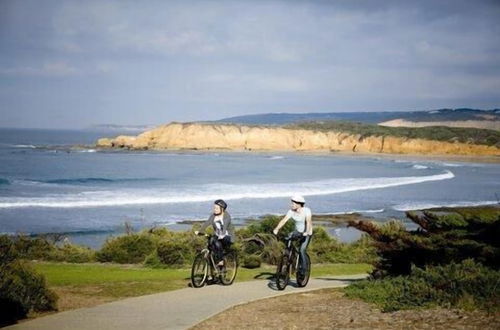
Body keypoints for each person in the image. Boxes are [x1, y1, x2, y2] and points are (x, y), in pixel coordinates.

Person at [273, 195, 313, 275]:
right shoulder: (291, 211)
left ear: (299, 204)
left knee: (302, 250)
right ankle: (289, 258)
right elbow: (284, 220)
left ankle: (303, 269)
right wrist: (277, 229)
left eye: (293, 203)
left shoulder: (306, 210)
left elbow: (308, 221)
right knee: (288, 242)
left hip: (307, 233)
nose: (291, 205)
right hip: (297, 232)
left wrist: (307, 232)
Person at [195, 199, 235, 267]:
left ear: (222, 209)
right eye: (214, 208)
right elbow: (207, 223)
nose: (214, 209)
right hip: (218, 235)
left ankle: (221, 261)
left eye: (216, 208)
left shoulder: (226, 216)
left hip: (228, 237)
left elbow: (225, 226)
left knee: (216, 242)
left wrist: (221, 235)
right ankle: (212, 271)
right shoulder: (213, 216)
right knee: (211, 248)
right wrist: (200, 231)